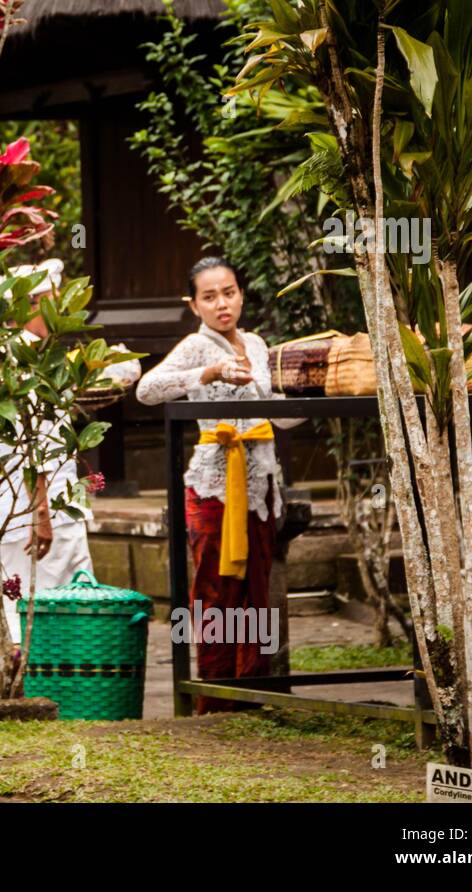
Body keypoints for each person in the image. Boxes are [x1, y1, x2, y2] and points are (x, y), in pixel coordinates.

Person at [135, 256, 301, 713]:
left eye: (229, 292)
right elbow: (146, 390)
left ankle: (252, 693)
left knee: (256, 590)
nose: (222, 304)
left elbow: (272, 410)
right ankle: (213, 695)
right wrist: (206, 374)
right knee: (213, 589)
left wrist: (316, 397)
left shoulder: (257, 342)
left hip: (261, 483)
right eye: (210, 297)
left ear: (241, 294)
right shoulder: (194, 346)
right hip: (213, 483)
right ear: (194, 304)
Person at [0, 258, 96, 699]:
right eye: (52, 301)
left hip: (8, 508)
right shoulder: (30, 364)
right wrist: (42, 513)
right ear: (30, 305)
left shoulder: (2, 358)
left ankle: (12, 676)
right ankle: (8, 671)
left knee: (11, 597)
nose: (60, 309)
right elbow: (35, 449)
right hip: (43, 509)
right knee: (64, 597)